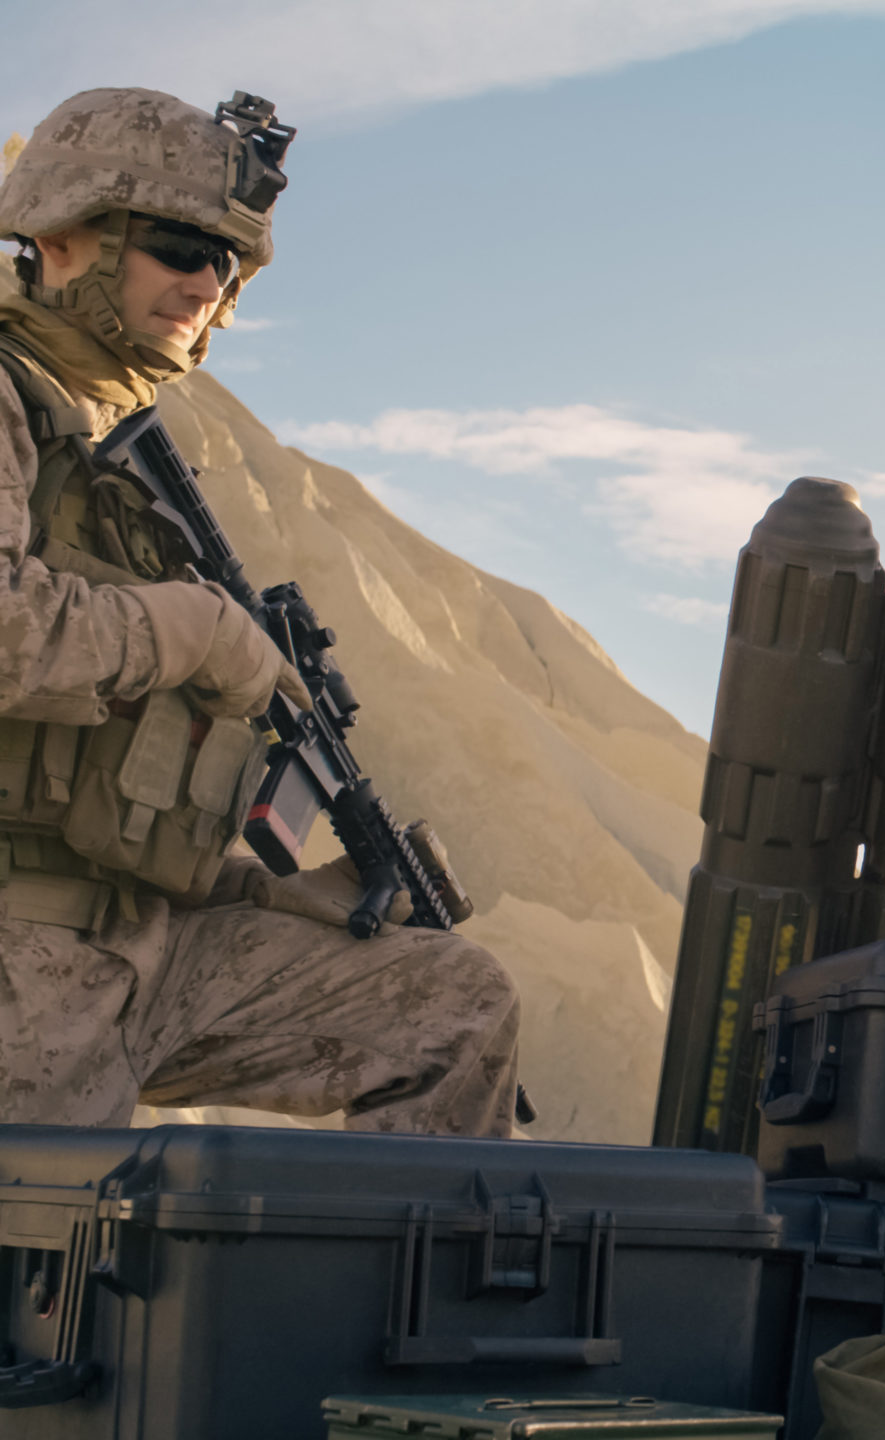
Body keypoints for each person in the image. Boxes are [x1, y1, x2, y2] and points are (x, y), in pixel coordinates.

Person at [0, 87, 519, 1135]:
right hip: (22, 964)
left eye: (226, 265)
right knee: (51, 1279)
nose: (205, 285)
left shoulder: (116, 463)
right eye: (181, 246)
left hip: (140, 941)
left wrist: (273, 893)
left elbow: (97, 812)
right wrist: (197, 633)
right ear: (62, 235)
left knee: (454, 1007)